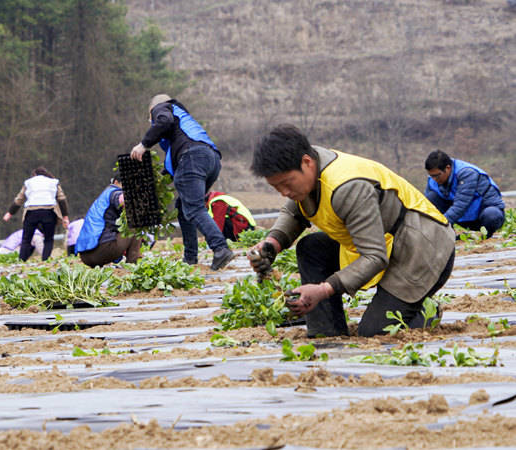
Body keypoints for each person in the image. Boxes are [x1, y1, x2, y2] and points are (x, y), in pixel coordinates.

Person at [248, 124, 455, 337]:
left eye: (286, 183)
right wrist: (272, 244)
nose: (284, 192)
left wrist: (323, 289)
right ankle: (325, 332)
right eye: (276, 187)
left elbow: (375, 257)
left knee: (374, 333)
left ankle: (424, 311)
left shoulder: (347, 187)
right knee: (311, 248)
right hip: (385, 240)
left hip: (423, 249)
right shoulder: (309, 165)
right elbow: (294, 213)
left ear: (307, 163)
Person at [130, 94, 234, 270]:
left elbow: (164, 122)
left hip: (193, 157)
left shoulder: (162, 108)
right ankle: (190, 257)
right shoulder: (184, 123)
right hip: (211, 160)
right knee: (183, 206)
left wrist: (143, 145)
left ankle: (220, 248)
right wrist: (160, 179)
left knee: (193, 208)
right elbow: (178, 163)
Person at [424, 150, 505, 238]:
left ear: (448, 168)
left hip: (483, 216)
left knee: (491, 215)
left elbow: (460, 205)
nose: (434, 179)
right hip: (465, 219)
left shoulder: (467, 173)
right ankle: (448, 235)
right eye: (431, 176)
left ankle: (486, 235)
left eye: (437, 175)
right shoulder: (433, 178)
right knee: (431, 197)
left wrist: (441, 224)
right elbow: (427, 206)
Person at [3, 167, 69, 261]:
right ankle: (46, 261)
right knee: (48, 239)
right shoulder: (53, 182)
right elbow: (61, 199)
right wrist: (65, 216)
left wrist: (10, 213)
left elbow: (19, 199)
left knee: (26, 239)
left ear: (34, 175)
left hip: (31, 212)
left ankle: (21, 261)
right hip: (49, 211)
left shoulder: (29, 182)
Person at [76, 176, 142, 267]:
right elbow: (122, 199)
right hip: (102, 252)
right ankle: (132, 265)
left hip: (85, 256)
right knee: (135, 226)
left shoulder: (102, 198)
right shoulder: (115, 192)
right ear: (116, 182)